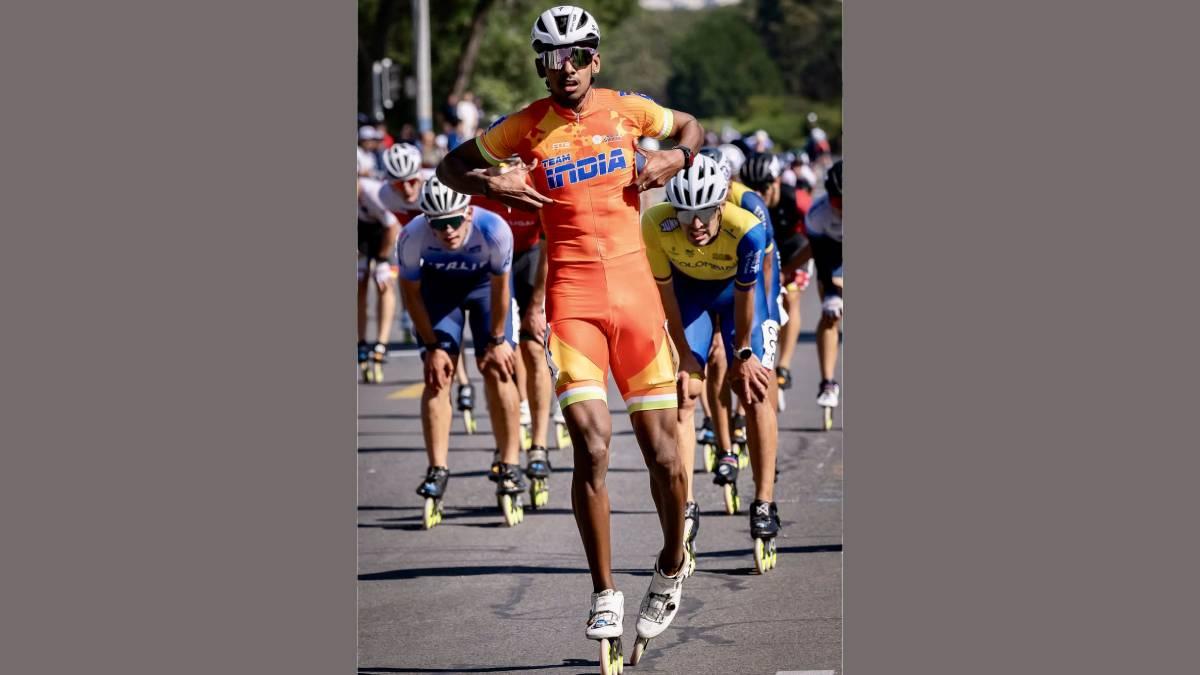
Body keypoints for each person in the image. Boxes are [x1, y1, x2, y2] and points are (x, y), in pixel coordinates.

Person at [435, 5, 703, 666]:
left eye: (578, 56)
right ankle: (605, 590)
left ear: (595, 59)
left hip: (635, 298)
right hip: (574, 300)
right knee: (590, 442)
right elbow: (448, 168)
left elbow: (691, 126)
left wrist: (674, 156)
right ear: (541, 67)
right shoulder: (526, 125)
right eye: (553, 59)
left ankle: (672, 561)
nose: (566, 69)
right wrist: (492, 180)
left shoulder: (627, 109)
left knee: (665, 457)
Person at [643, 154, 783, 575]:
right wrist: (684, 354)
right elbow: (666, 298)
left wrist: (744, 354)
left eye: (704, 212)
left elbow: (747, 298)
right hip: (690, 298)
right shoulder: (655, 224)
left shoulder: (748, 228)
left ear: (721, 205)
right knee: (684, 392)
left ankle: (764, 501)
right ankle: (686, 504)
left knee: (755, 389)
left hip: (736, 298)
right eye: (685, 214)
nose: (696, 224)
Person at [399, 176, 527, 527]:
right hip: (440, 293)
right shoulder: (411, 236)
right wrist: (432, 347)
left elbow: (502, 289)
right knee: (437, 376)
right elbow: (411, 294)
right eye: (438, 224)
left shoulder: (494, 229)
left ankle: (510, 463)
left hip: (486, 289)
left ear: (468, 213)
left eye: (454, 221)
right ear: (426, 220)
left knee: (498, 369)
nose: (448, 231)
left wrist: (497, 341)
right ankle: (437, 469)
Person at [469, 157, 556, 505]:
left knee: (533, 345)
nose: (503, 173)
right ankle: (506, 437)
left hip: (530, 258)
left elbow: (548, 248)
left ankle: (539, 445)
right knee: (500, 355)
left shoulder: (533, 187)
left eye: (511, 165)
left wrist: (536, 305)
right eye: (495, 166)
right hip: (493, 268)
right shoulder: (479, 191)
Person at [805, 160, 843, 425]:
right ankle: (827, 382)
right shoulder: (817, 214)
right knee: (831, 312)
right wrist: (832, 290)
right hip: (832, 254)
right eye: (838, 202)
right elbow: (820, 259)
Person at [357, 166, 403, 383]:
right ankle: (361, 341)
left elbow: (392, 227)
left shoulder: (373, 193)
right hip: (362, 233)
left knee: (383, 281)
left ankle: (382, 343)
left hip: (386, 232)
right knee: (359, 283)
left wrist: (383, 259)